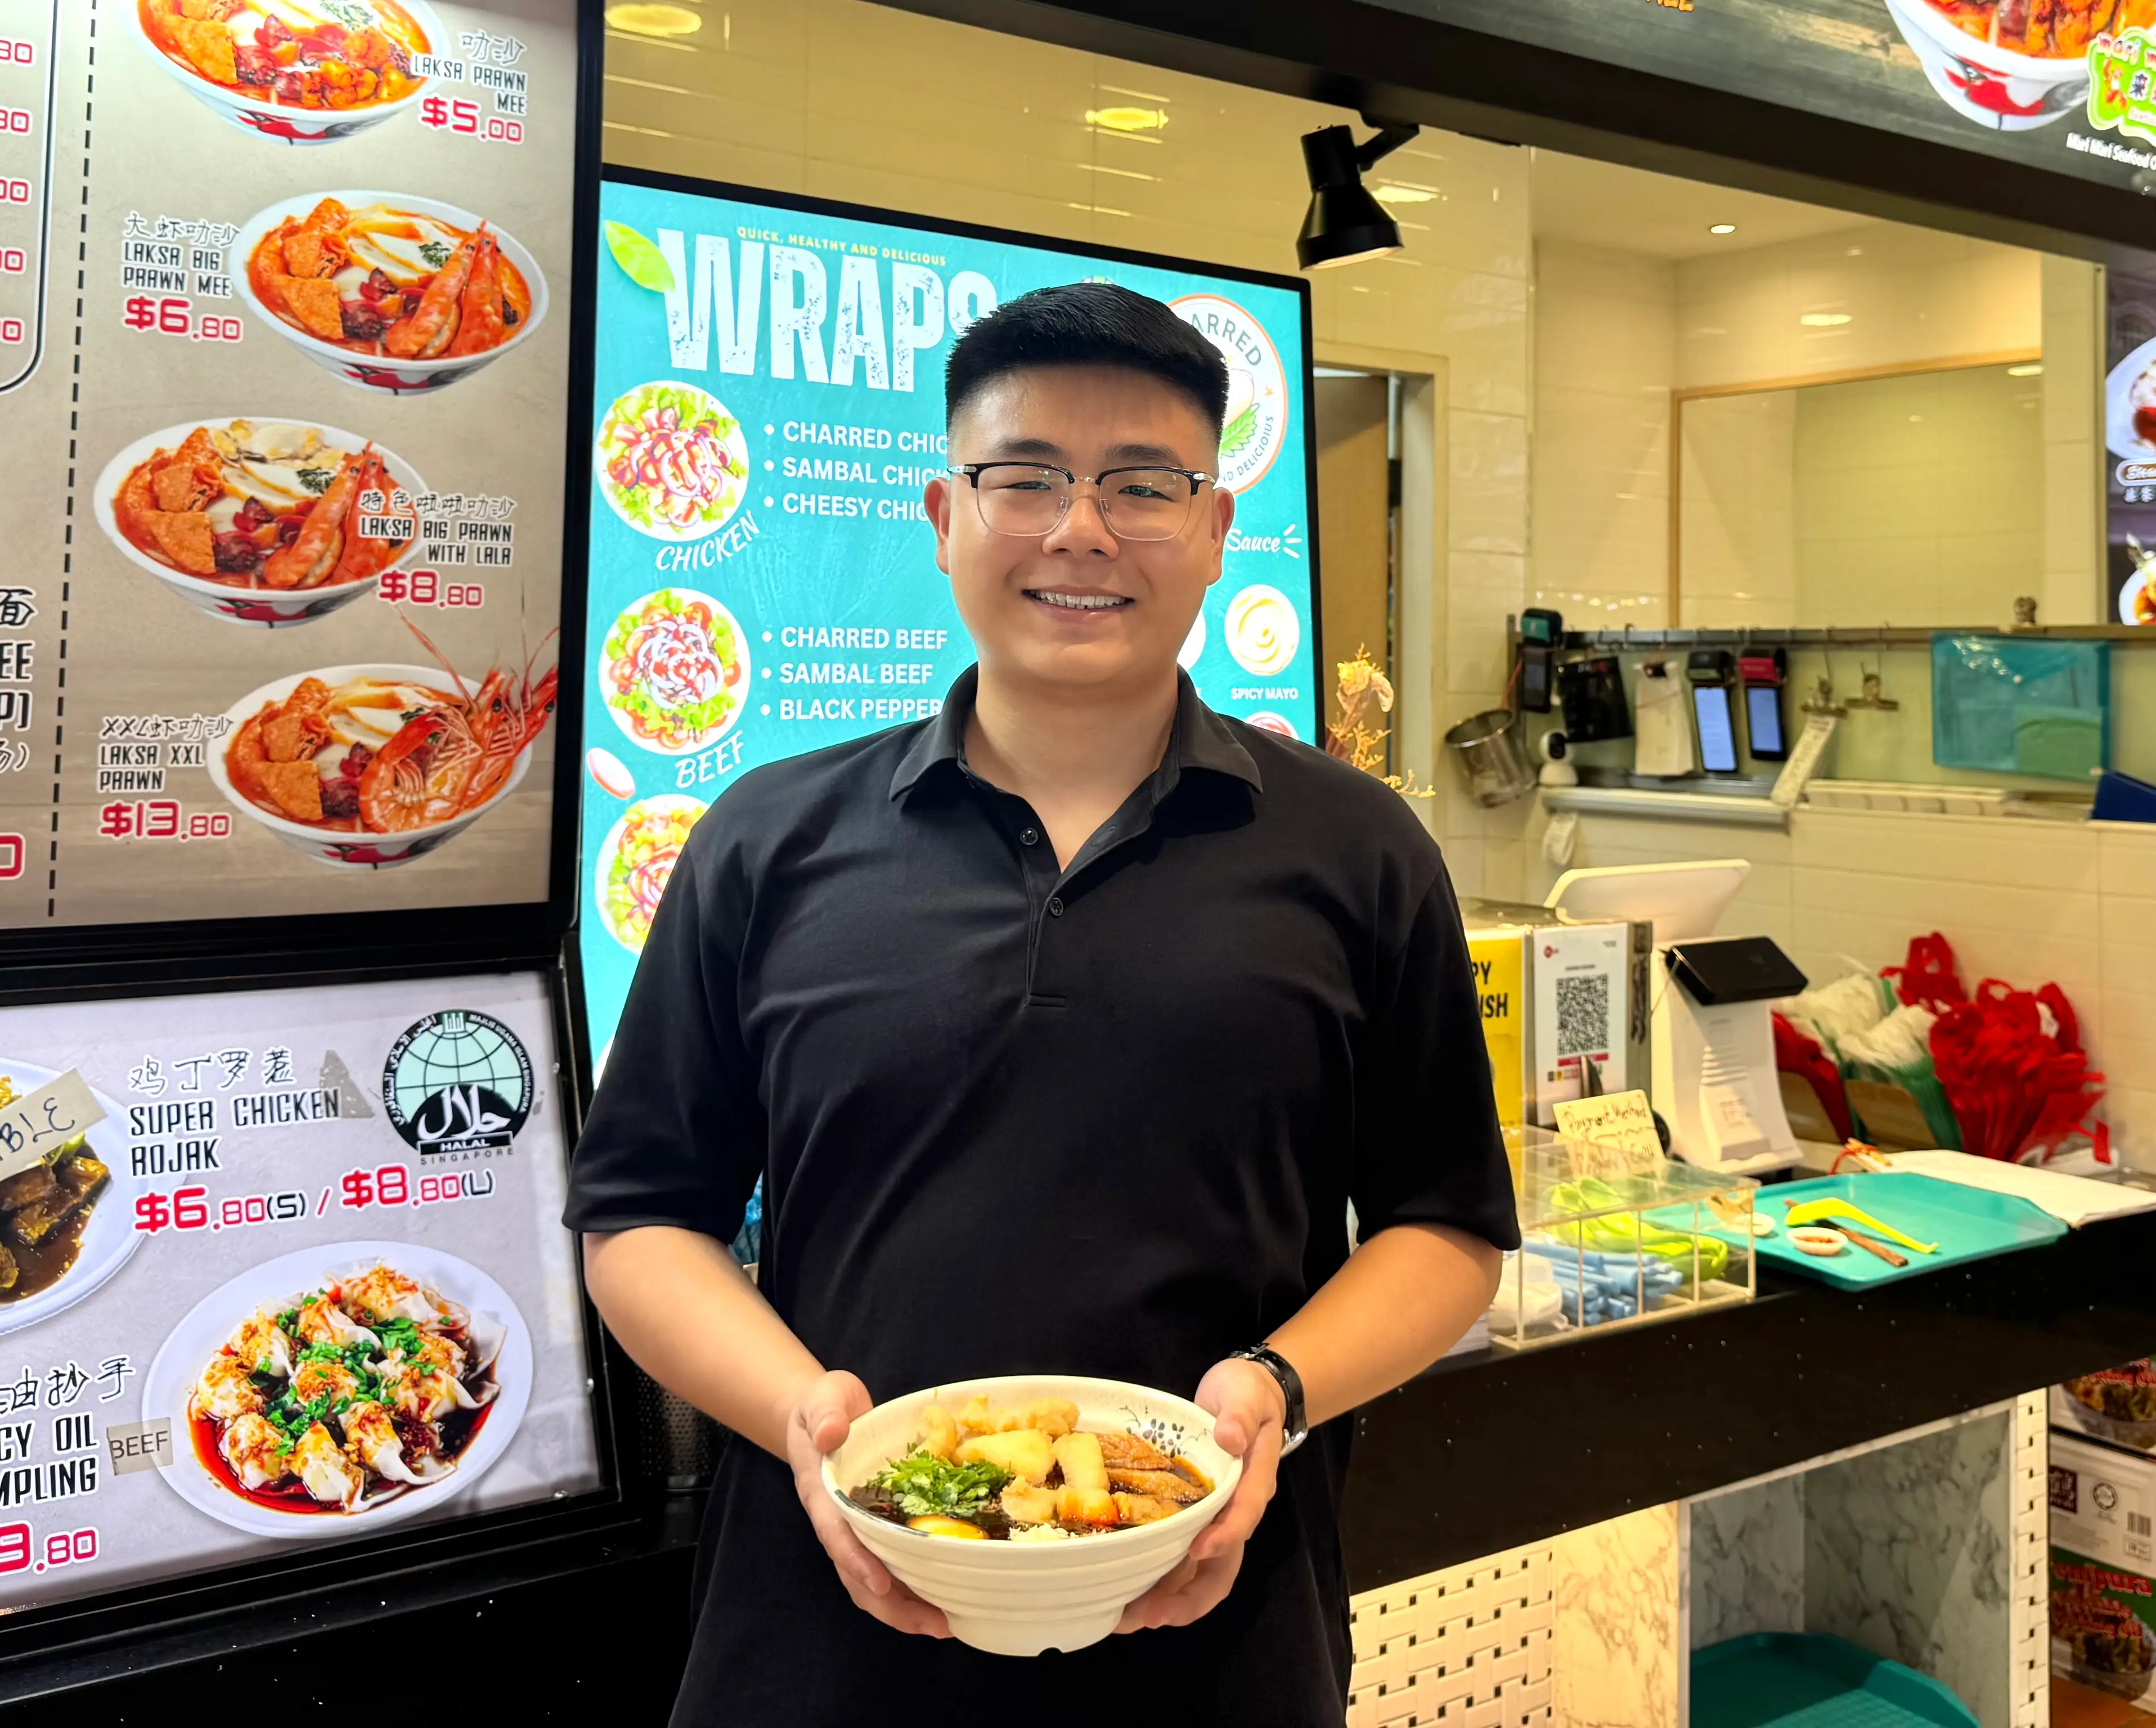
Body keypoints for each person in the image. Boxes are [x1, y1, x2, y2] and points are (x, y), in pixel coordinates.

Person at [571, 280, 1515, 1724]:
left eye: (1143, 485)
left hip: (1220, 1633)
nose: (1082, 530)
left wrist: (1277, 1389)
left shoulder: (1358, 850)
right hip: (820, 1636)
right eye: (1026, 479)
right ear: (945, 518)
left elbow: (1446, 1228)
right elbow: (642, 1220)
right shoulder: (767, 841)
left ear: (1217, 528)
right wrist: (804, 1424)